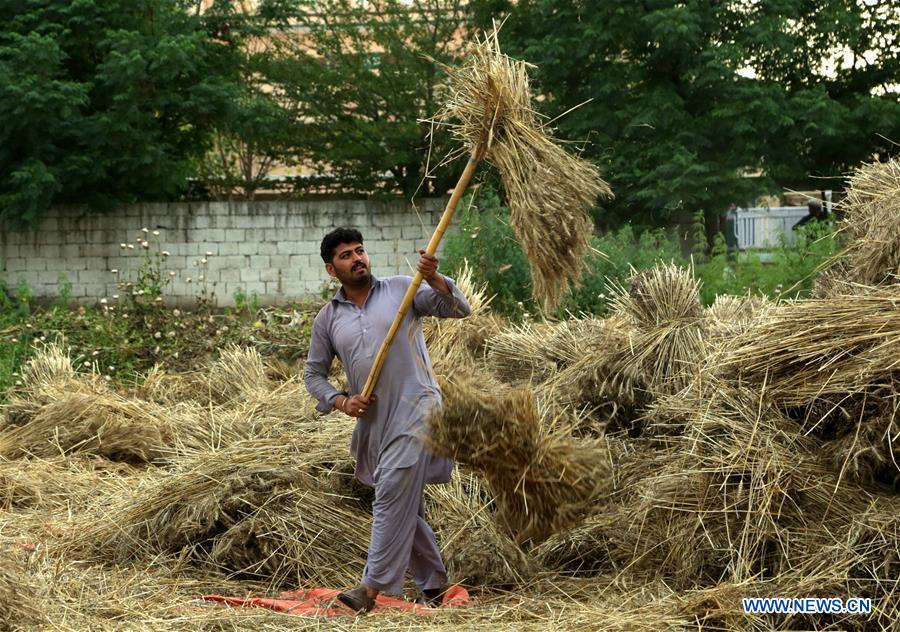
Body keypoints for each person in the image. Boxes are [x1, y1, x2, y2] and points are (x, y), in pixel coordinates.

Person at [304, 227, 471, 613]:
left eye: (360, 250)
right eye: (346, 255)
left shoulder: (402, 289)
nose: (357, 258)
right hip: (375, 421)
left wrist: (433, 277)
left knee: (390, 492)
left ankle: (370, 588)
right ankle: (435, 585)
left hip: (419, 408)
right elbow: (313, 374)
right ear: (332, 270)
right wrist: (341, 401)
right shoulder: (328, 319)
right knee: (403, 504)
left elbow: (459, 309)